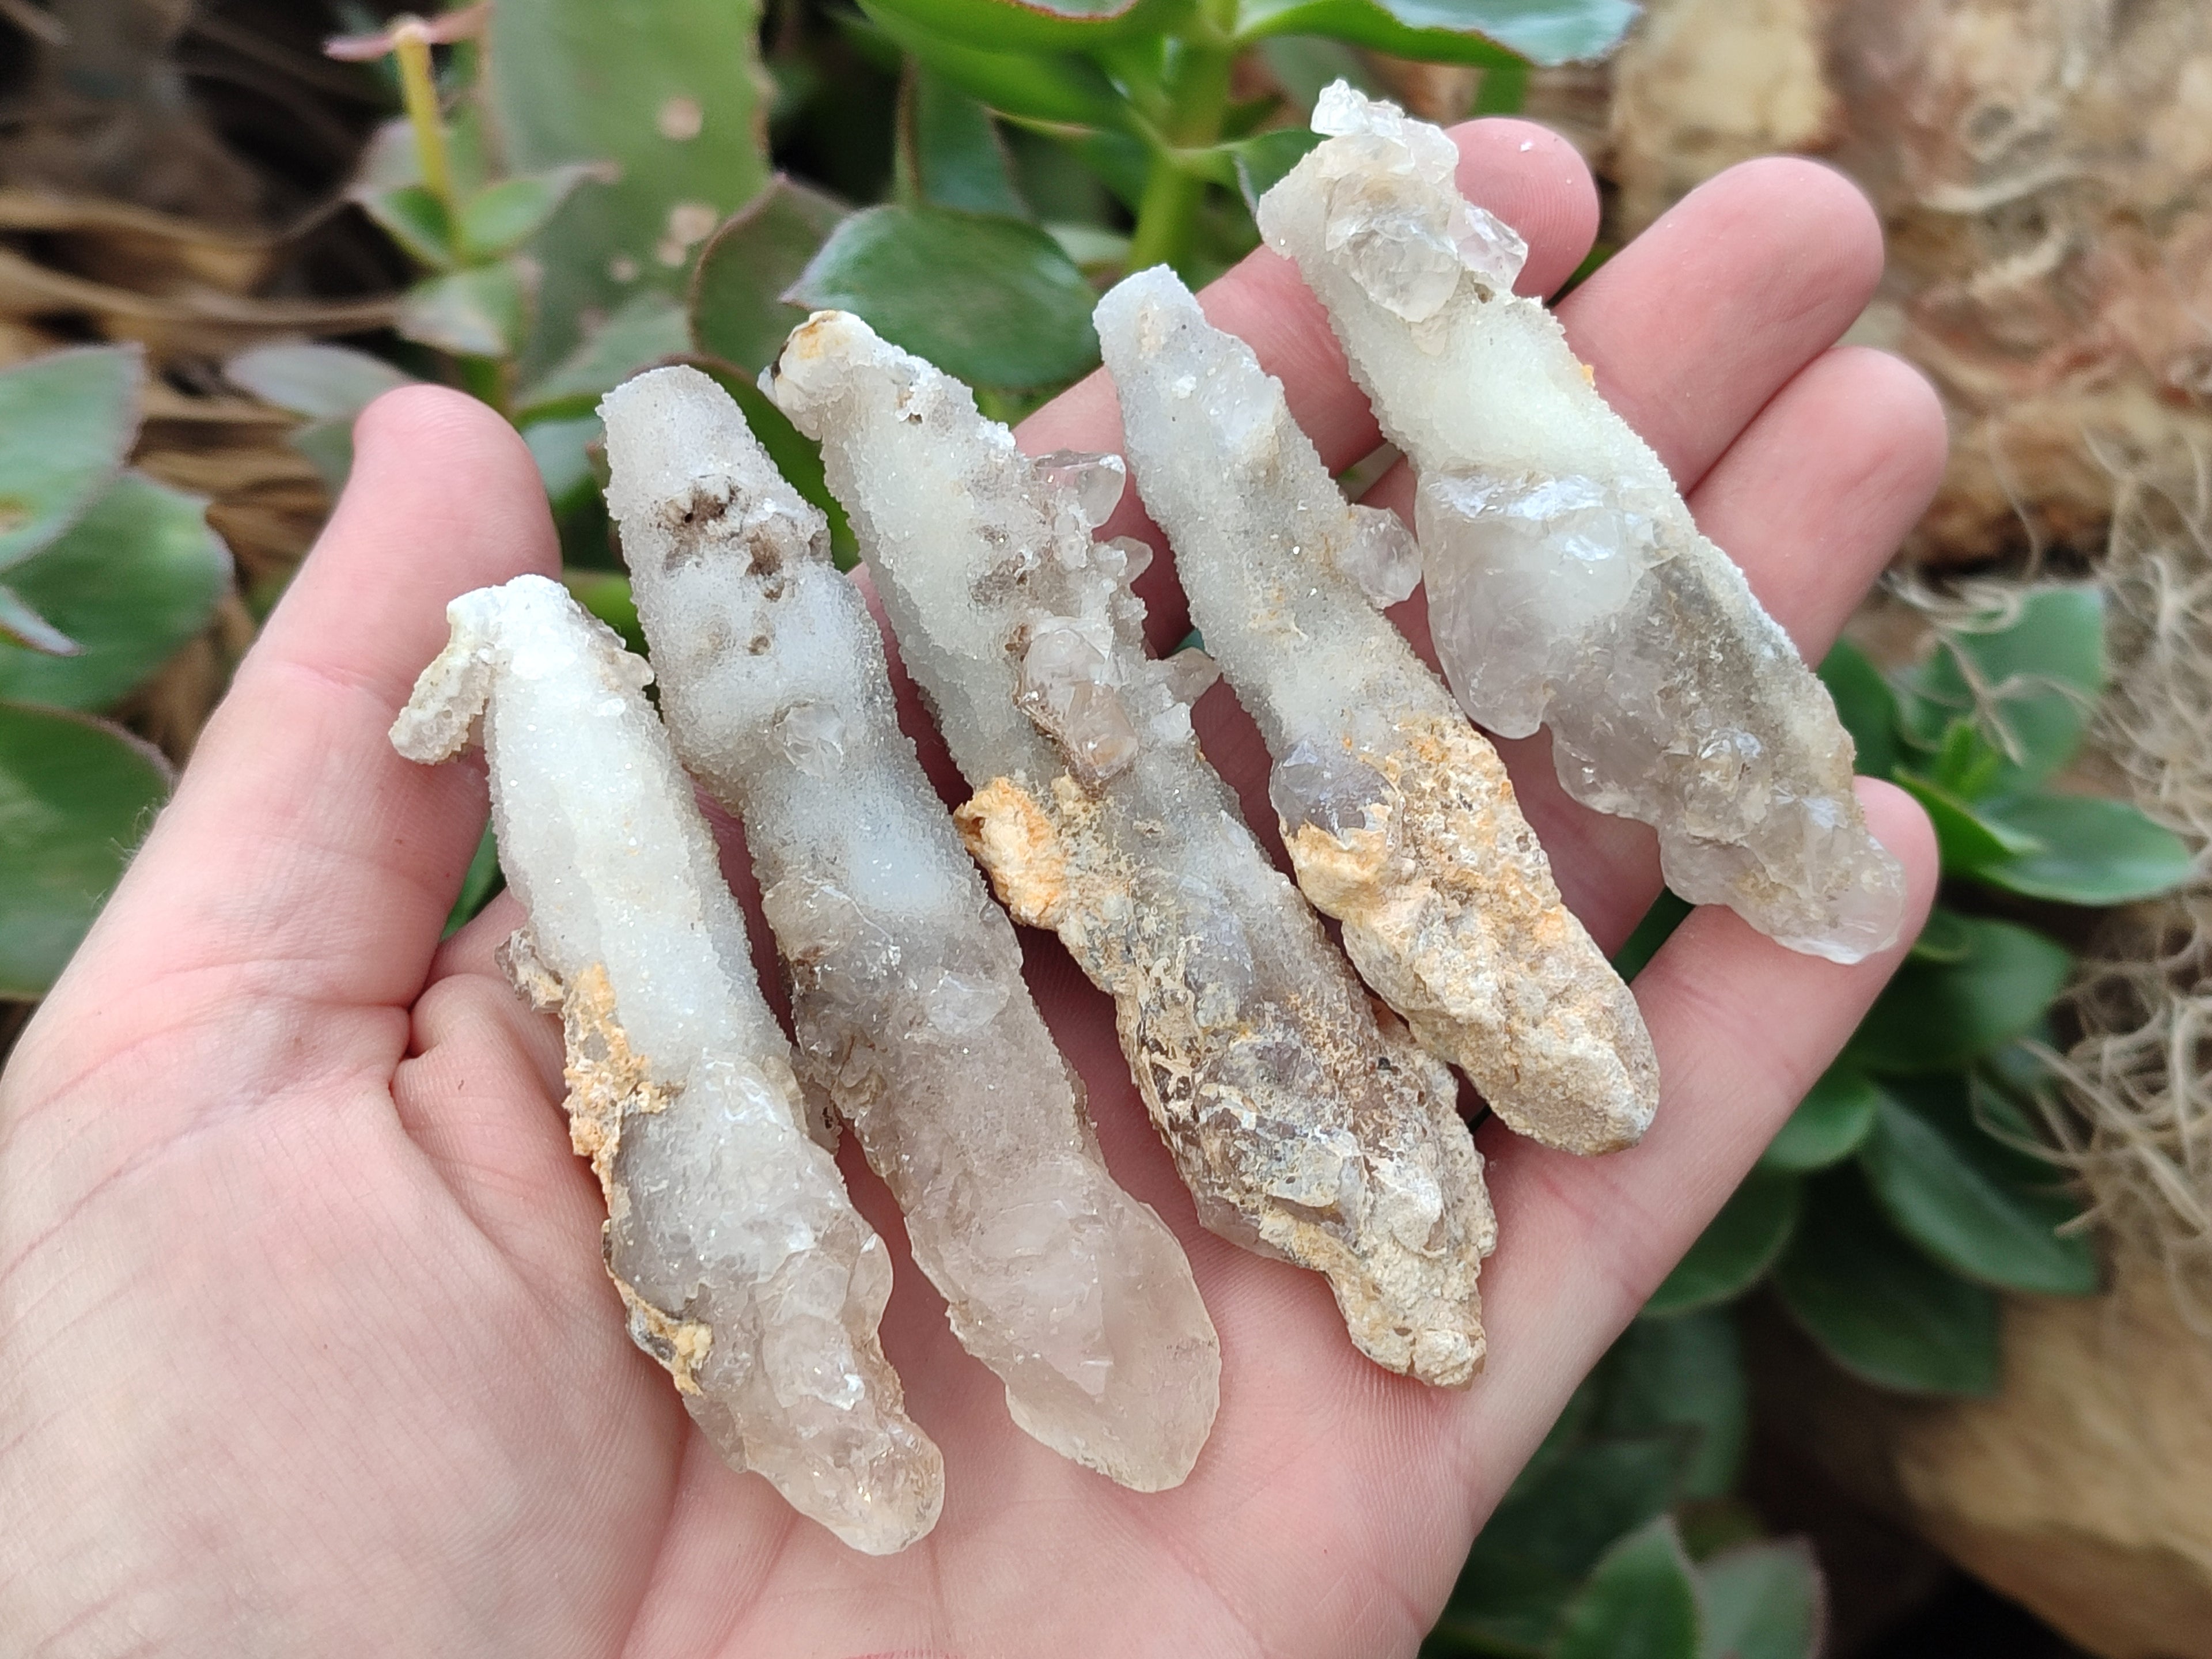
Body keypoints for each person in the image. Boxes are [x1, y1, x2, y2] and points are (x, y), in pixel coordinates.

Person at [0, 120, 1939, 1655]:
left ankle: (1488, 1051)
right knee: (947, 882)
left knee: (1123, 830)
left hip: (1167, 751)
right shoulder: (636, 669)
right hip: (908, 800)